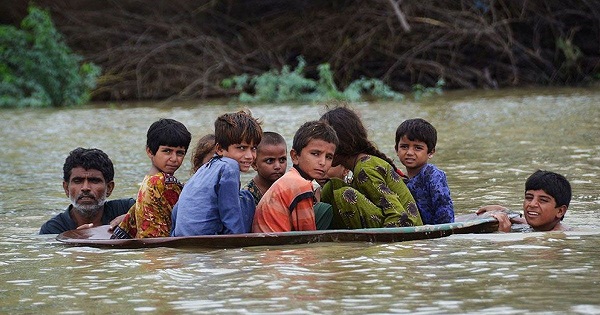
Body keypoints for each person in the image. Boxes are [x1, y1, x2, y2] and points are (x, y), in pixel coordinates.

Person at [319, 105, 423, 229]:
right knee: (331, 188)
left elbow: (398, 216)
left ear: (341, 142)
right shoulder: (359, 166)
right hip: (390, 222)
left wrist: (380, 248)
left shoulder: (365, 168)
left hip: (406, 228)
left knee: (345, 195)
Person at [171, 110, 262, 236]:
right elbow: (230, 213)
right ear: (219, 149)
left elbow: (176, 210)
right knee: (246, 198)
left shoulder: (203, 170)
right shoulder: (230, 166)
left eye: (253, 148)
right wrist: (239, 247)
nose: (249, 156)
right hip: (207, 238)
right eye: (241, 148)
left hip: (181, 236)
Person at [252, 120, 338, 232]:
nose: (322, 162)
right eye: (315, 154)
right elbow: (308, 236)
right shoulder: (300, 185)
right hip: (276, 247)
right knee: (325, 210)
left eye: (329, 157)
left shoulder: (290, 178)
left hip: (268, 244)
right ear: (295, 156)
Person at [111, 118, 192, 239]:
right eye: (167, 151)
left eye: (180, 153)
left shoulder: (148, 181)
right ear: (150, 151)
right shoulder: (162, 182)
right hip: (162, 250)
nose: (174, 158)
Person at [39, 148, 135, 234]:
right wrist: (74, 241)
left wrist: (136, 221)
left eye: (94, 181)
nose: (85, 188)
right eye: (78, 181)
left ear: (109, 188)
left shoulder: (128, 209)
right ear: (66, 188)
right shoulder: (52, 230)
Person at [395, 118, 454, 224]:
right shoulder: (399, 180)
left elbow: (445, 211)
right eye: (404, 147)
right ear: (396, 150)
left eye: (417, 148)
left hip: (435, 232)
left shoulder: (433, 175)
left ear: (430, 153)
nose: (409, 152)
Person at [477, 170, 572, 232]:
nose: (532, 204)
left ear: (560, 211)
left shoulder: (556, 238)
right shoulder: (542, 226)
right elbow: (525, 222)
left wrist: (503, 236)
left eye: (543, 200)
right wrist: (505, 212)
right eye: (529, 197)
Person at [242, 131, 288, 205]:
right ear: (254, 164)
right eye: (270, 161)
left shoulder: (289, 189)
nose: (277, 166)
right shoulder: (247, 197)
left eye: (282, 160)